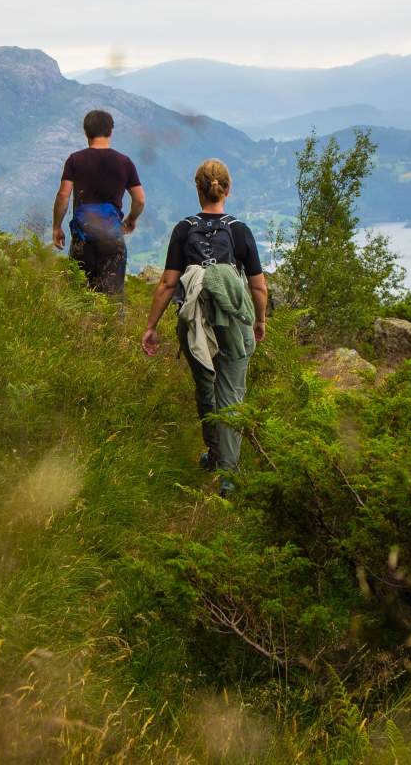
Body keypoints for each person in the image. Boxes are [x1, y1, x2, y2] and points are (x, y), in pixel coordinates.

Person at [141, 159, 268, 494]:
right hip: (233, 319)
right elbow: (258, 286)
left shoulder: (183, 229)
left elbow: (168, 284)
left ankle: (213, 454)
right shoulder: (239, 230)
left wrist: (151, 326)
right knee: (231, 392)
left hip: (193, 318)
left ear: (198, 190)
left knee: (205, 387)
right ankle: (228, 474)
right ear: (227, 189)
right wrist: (259, 321)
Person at [52, 109, 145, 296]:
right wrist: (131, 219)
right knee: (111, 298)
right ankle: (110, 325)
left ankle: (80, 325)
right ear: (111, 131)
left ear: (85, 132)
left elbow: (63, 195)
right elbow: (140, 199)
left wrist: (57, 226)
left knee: (79, 294)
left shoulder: (75, 160)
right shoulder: (124, 162)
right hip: (112, 238)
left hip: (83, 238)